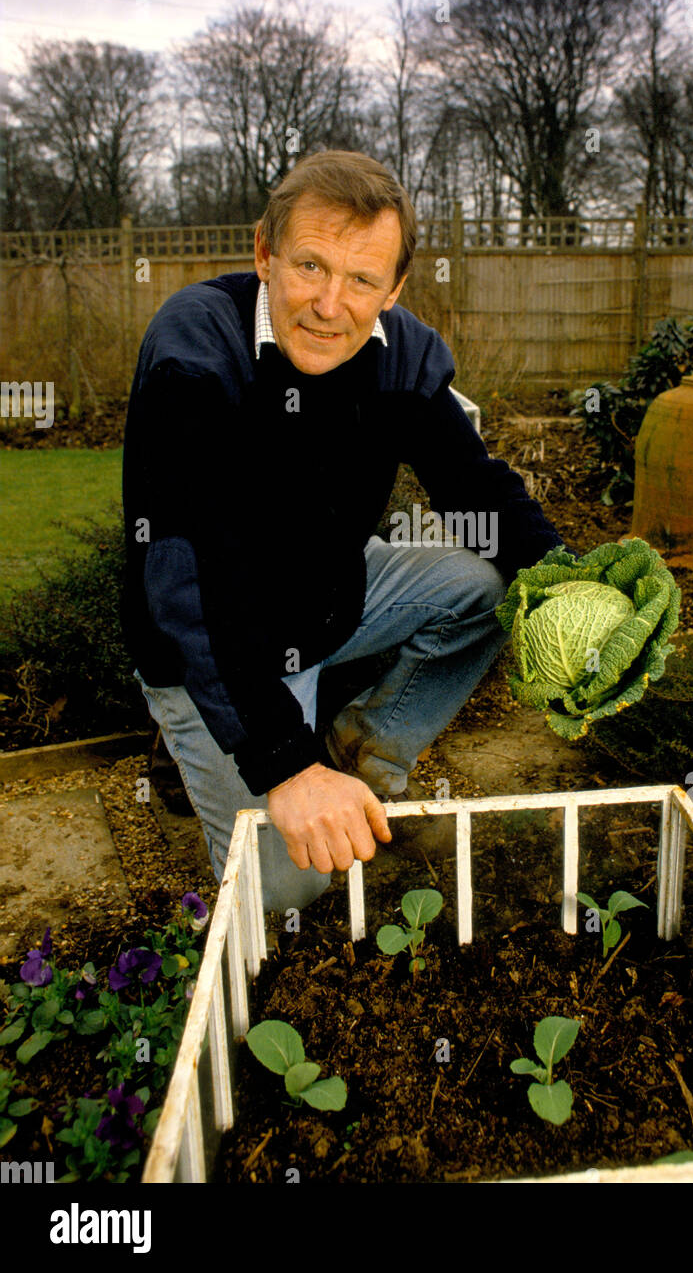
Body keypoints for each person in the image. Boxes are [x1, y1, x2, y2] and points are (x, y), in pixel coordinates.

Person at [122, 150, 570, 913]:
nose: (331, 304)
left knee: (491, 584)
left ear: (392, 289)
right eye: (309, 266)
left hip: (324, 600)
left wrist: (572, 583)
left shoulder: (405, 357)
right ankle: (222, 738)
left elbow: (473, 490)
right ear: (264, 254)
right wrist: (283, 765)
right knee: (297, 892)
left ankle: (357, 758)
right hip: (212, 640)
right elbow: (193, 580)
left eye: (362, 280)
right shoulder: (196, 355)